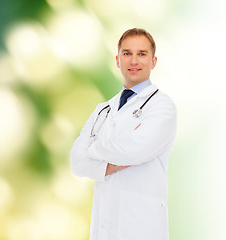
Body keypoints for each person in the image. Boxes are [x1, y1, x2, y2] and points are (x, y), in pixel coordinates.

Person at [71, 28, 177, 240]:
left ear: (153, 61)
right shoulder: (104, 109)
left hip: (141, 226)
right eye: (127, 53)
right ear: (118, 61)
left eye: (142, 54)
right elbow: (77, 161)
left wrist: (93, 149)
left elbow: (134, 150)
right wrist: (109, 163)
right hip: (103, 227)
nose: (134, 60)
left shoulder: (163, 106)